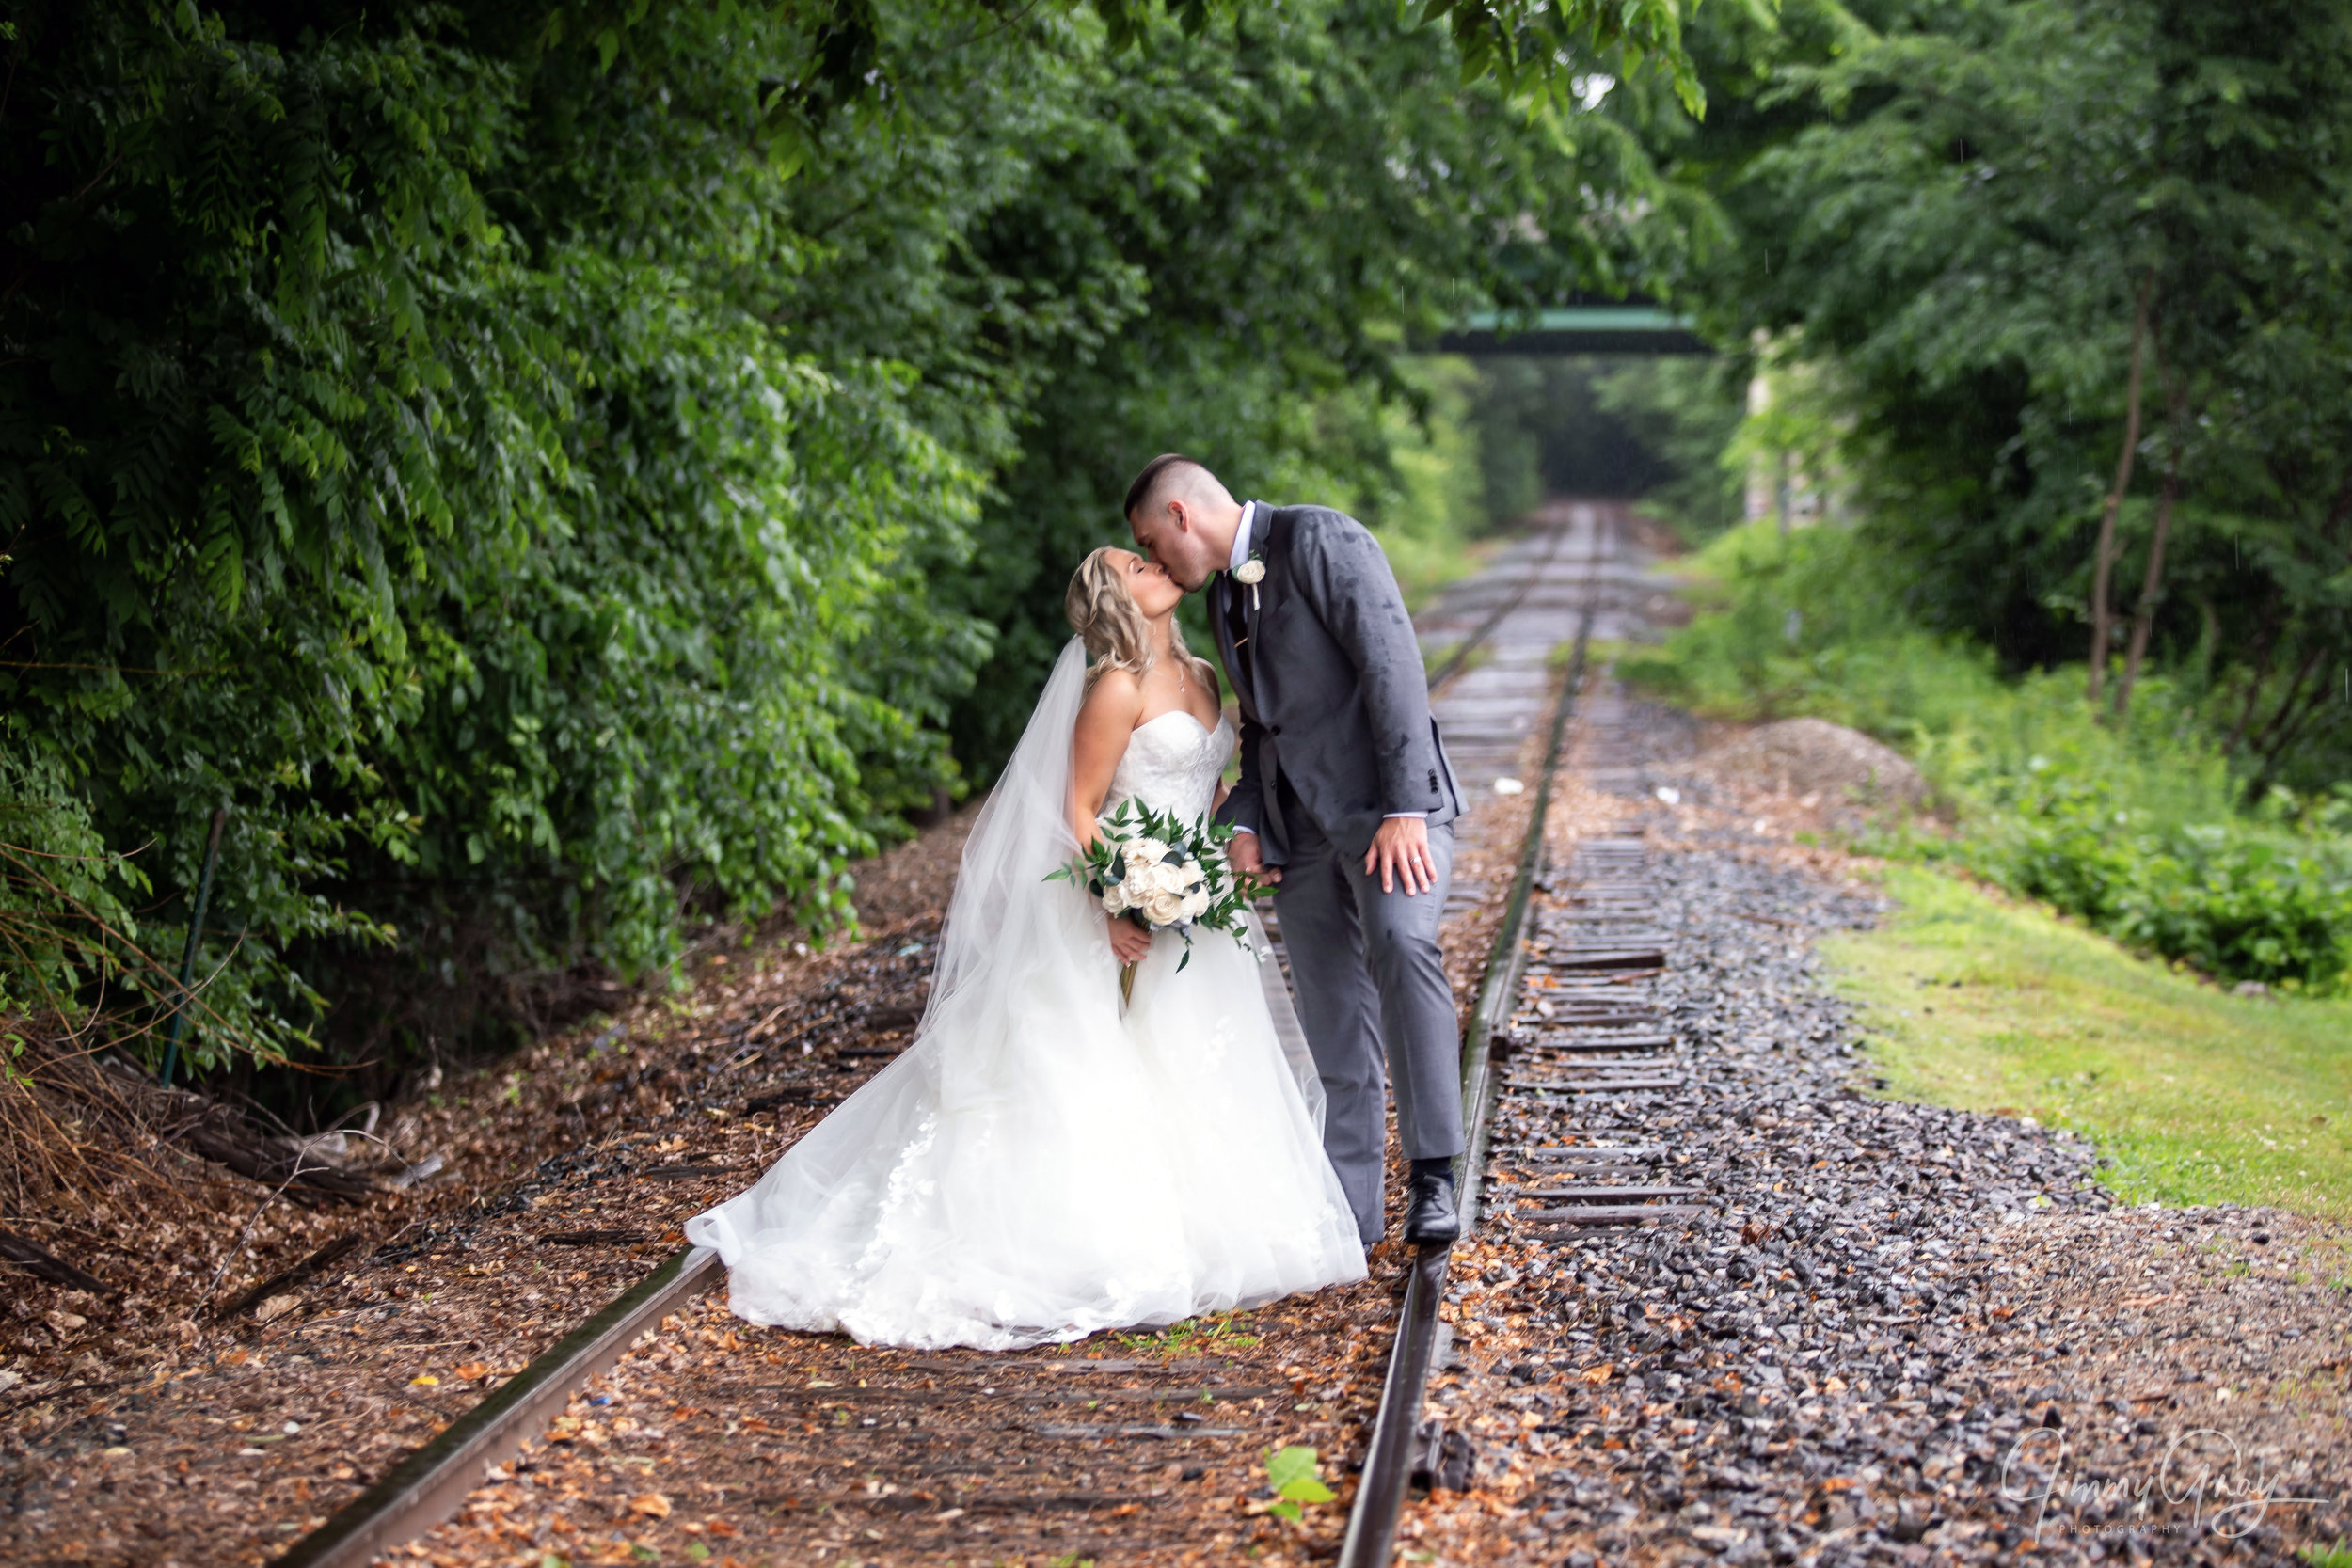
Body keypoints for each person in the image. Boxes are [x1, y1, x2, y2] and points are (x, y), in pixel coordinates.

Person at [684, 546, 1364, 1350]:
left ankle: (1215, 1225)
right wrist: (1114, 900)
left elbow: (1210, 789)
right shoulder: (1114, 687)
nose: (1157, 563)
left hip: (1198, 909)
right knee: (1103, 1067)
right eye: (1138, 562)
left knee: (1205, 1058)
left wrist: (1225, 856)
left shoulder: (1207, 677)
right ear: (1119, 594)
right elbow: (1076, 808)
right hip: (1121, 905)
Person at [1125, 454, 1467, 1248]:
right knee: (1330, 1009)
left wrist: (1406, 805)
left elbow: (1393, 666)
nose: (1152, 557)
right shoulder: (1220, 599)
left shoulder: (1323, 537)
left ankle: (1433, 1175)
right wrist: (1245, 817)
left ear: (1180, 516)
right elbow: (1258, 725)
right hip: (1298, 831)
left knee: (1404, 943)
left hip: (1392, 814)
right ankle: (1352, 1211)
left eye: (1148, 538)